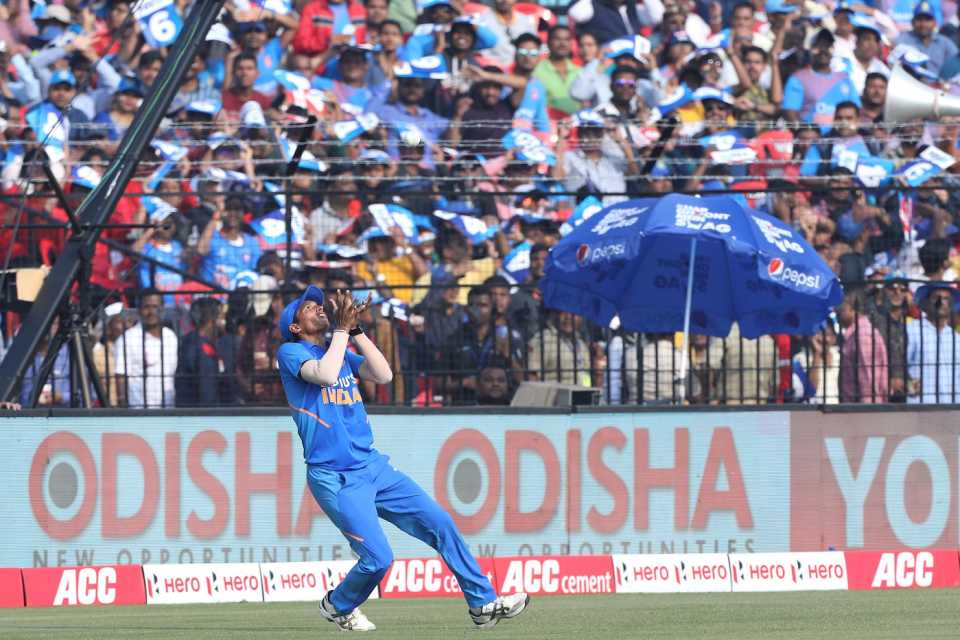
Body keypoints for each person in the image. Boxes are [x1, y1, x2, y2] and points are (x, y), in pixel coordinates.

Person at [276, 287, 529, 630]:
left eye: (321, 305)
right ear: (294, 326)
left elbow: (383, 375)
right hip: (333, 476)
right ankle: (337, 604)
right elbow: (324, 375)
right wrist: (339, 330)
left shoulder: (335, 349)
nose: (320, 308)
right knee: (378, 559)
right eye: (310, 307)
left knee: (441, 523)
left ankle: (482, 604)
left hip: (372, 466)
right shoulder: (291, 351)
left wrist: (355, 331)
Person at [115, 290, 178, 408]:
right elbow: (121, 377)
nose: (151, 312)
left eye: (155, 307)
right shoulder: (128, 338)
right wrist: (123, 407)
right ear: (139, 310)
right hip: (139, 410)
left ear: (163, 309)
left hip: (169, 409)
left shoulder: (171, 336)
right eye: (146, 307)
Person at [906, 283, 960, 403]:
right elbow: (899, 367)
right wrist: (910, 386)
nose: (941, 302)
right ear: (926, 303)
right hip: (920, 406)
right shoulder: (912, 331)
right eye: (936, 298)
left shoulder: (956, 338)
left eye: (946, 298)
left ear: (951, 305)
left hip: (952, 407)